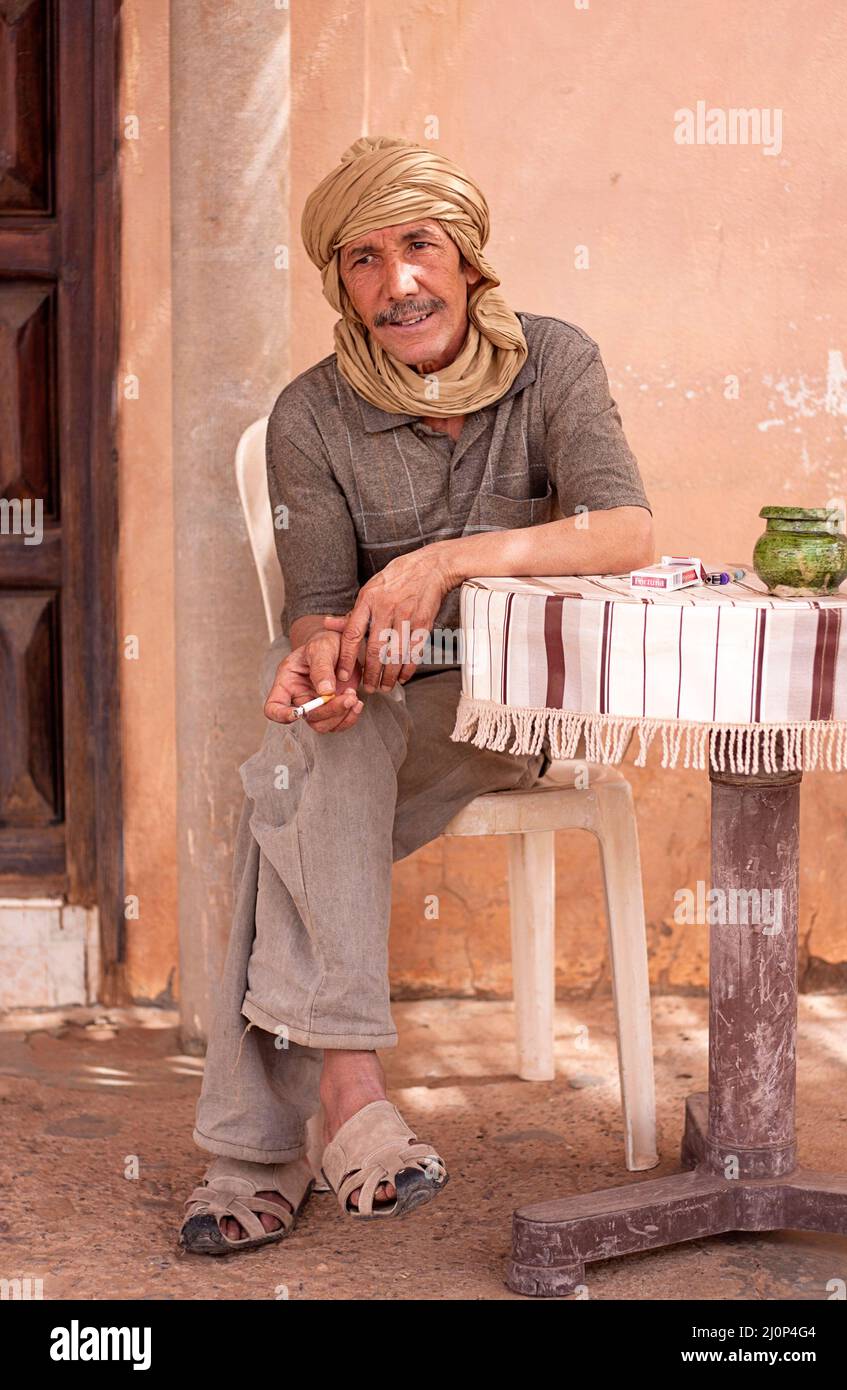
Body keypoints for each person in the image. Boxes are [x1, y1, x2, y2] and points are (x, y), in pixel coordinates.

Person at [179, 135, 653, 1255]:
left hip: (526, 706)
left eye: (418, 247)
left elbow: (624, 529)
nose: (396, 283)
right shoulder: (310, 415)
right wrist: (316, 659)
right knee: (306, 740)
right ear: (337, 282)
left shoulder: (554, 362)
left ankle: (253, 1152)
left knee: (278, 804)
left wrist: (442, 561)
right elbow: (317, 601)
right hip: (385, 728)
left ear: (468, 260)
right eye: (360, 259)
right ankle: (347, 1097)